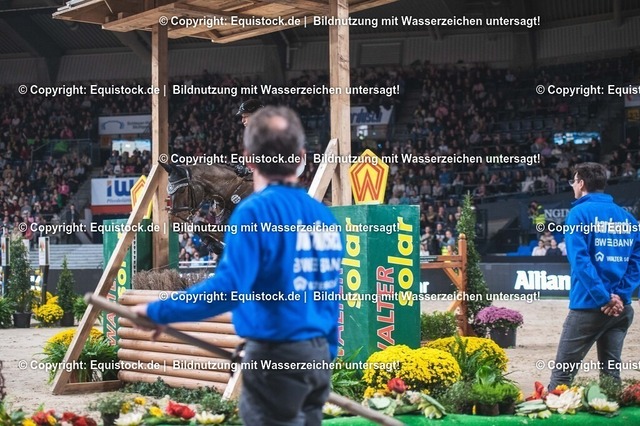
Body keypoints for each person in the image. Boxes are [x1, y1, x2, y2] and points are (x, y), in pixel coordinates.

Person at [132, 106, 344, 425]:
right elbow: (328, 295)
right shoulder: (324, 217)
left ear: (249, 159)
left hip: (273, 355)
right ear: (301, 158)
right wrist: (326, 353)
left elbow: (229, 289)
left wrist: (161, 312)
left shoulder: (254, 212)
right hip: (317, 357)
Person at [548, 162, 640, 390]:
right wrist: (620, 295)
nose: (572, 186)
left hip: (588, 306)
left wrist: (603, 298)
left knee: (561, 377)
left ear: (581, 183)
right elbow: (636, 263)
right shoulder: (627, 218)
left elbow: (580, 262)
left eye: (573, 181)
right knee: (611, 377)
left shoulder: (578, 214)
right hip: (621, 309)